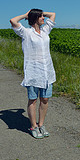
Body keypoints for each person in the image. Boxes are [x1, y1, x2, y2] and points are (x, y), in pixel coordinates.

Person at [10, 9, 56, 139]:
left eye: (43, 16)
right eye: (41, 16)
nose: (44, 18)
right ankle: (33, 126)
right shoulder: (26, 33)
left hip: (47, 71)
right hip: (33, 72)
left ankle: (41, 124)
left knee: (45, 99)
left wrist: (40, 12)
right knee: (33, 99)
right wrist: (27, 15)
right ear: (35, 18)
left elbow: (53, 14)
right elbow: (13, 21)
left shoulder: (45, 30)